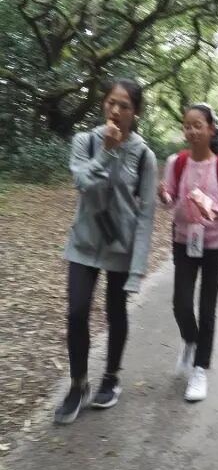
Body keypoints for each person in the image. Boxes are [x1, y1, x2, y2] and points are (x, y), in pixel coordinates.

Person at [55, 78, 157, 424]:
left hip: (120, 247)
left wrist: (137, 270)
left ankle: (111, 377)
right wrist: (107, 151)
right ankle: (78, 384)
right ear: (103, 104)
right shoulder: (85, 142)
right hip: (83, 243)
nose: (115, 110)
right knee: (76, 312)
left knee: (116, 312)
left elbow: (146, 216)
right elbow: (82, 182)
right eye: (111, 103)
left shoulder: (144, 156)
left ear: (135, 112)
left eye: (124, 106)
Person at [158, 103, 218, 402]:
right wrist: (163, 195)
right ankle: (191, 340)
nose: (192, 131)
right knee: (181, 303)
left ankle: (200, 369)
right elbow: (170, 200)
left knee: (207, 308)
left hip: (215, 244)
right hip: (184, 241)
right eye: (188, 126)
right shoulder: (177, 162)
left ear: (211, 129)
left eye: (198, 125)